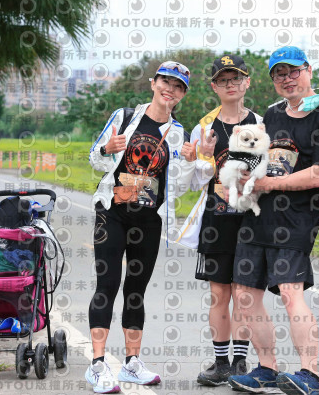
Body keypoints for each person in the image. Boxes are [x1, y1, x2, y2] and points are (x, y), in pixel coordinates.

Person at [228, 46, 319, 395]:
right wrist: (245, 175)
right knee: (245, 294)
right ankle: (267, 368)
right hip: (258, 215)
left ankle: (310, 374)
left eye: (293, 71)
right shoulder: (273, 113)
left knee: (290, 294)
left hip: (296, 220)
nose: (287, 79)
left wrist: (270, 184)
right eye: (279, 74)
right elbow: (262, 158)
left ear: (308, 70)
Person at [85, 61, 196, 394]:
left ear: (183, 94)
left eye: (178, 86)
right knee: (107, 284)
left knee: (136, 290)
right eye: (166, 82)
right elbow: (95, 159)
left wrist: (190, 162)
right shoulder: (124, 117)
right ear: (153, 83)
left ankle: (131, 364)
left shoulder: (179, 134)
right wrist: (107, 149)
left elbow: (180, 186)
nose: (170, 90)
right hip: (112, 213)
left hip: (148, 220)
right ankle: (97, 365)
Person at [177, 54, 262, 386]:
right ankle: (221, 362)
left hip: (250, 217)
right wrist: (202, 158)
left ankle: (240, 363)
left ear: (247, 82)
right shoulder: (204, 127)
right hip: (217, 217)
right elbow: (194, 182)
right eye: (223, 80)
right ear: (214, 86)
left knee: (244, 292)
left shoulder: (260, 122)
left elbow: (270, 170)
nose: (230, 85)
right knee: (219, 293)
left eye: (236, 78)